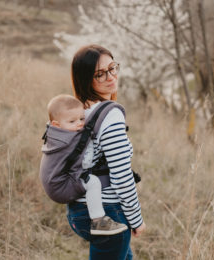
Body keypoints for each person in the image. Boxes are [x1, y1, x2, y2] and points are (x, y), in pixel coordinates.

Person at [67, 44, 146, 260]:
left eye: (112, 68)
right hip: (106, 214)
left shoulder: (78, 112)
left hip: (79, 211)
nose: (110, 77)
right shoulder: (110, 117)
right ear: (86, 79)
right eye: (100, 74)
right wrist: (136, 219)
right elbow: (121, 176)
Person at [45, 94, 128, 235]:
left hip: (54, 183)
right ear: (56, 124)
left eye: (82, 119)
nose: (79, 124)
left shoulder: (54, 134)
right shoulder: (67, 141)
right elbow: (86, 162)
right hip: (60, 186)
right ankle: (98, 221)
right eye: (72, 121)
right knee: (93, 182)